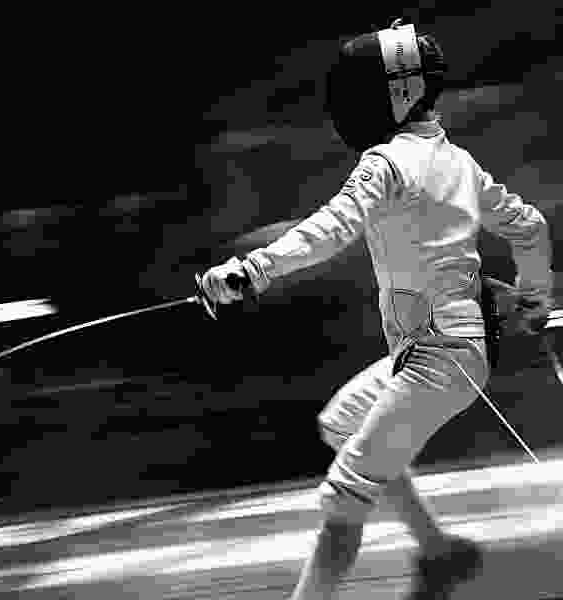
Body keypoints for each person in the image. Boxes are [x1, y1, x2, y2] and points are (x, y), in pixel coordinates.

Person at [201, 19, 554, 599]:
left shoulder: (387, 163)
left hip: (436, 361)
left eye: (359, 93)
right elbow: (530, 226)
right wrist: (536, 298)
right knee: (342, 422)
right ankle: (439, 553)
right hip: (445, 353)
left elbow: (330, 228)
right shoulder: (460, 162)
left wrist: (251, 270)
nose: (348, 108)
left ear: (397, 92)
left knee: (344, 497)